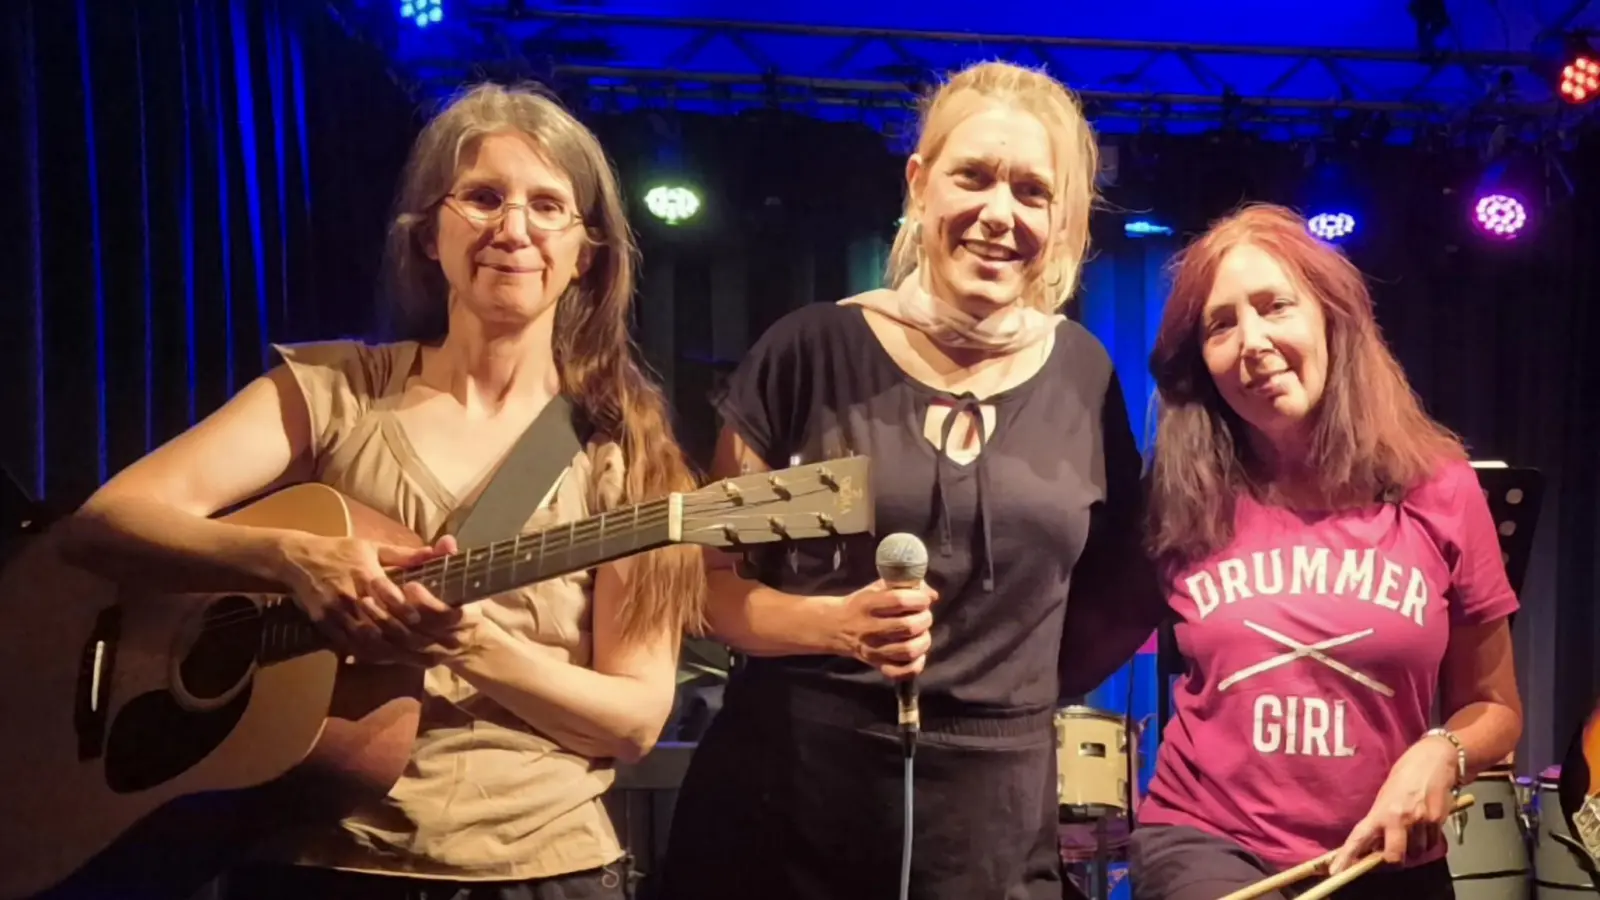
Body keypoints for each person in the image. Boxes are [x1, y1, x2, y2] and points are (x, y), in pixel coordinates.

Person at [56, 82, 704, 899]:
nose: (513, 229)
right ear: (429, 233)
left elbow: (637, 719)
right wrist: (291, 559)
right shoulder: (333, 392)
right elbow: (103, 524)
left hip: (542, 873)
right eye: (482, 197)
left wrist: (470, 644)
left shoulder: (626, 452)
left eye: (548, 206)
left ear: (588, 254)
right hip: (311, 858)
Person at [653, 60, 1165, 900]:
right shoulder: (808, 350)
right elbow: (705, 586)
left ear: (1061, 218)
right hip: (790, 803)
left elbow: (1122, 585)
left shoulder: (1083, 372)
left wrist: (1011, 692)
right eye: (974, 177)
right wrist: (831, 625)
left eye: (1032, 192)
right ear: (920, 185)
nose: (999, 213)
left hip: (989, 825)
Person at [1129, 204, 1523, 900]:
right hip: (1208, 844)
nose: (1251, 341)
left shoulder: (1440, 486)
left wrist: (1443, 751)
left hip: (1385, 851)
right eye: (1221, 324)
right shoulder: (1178, 495)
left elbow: (1495, 708)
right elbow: (1073, 644)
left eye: (1275, 306)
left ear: (1332, 320)